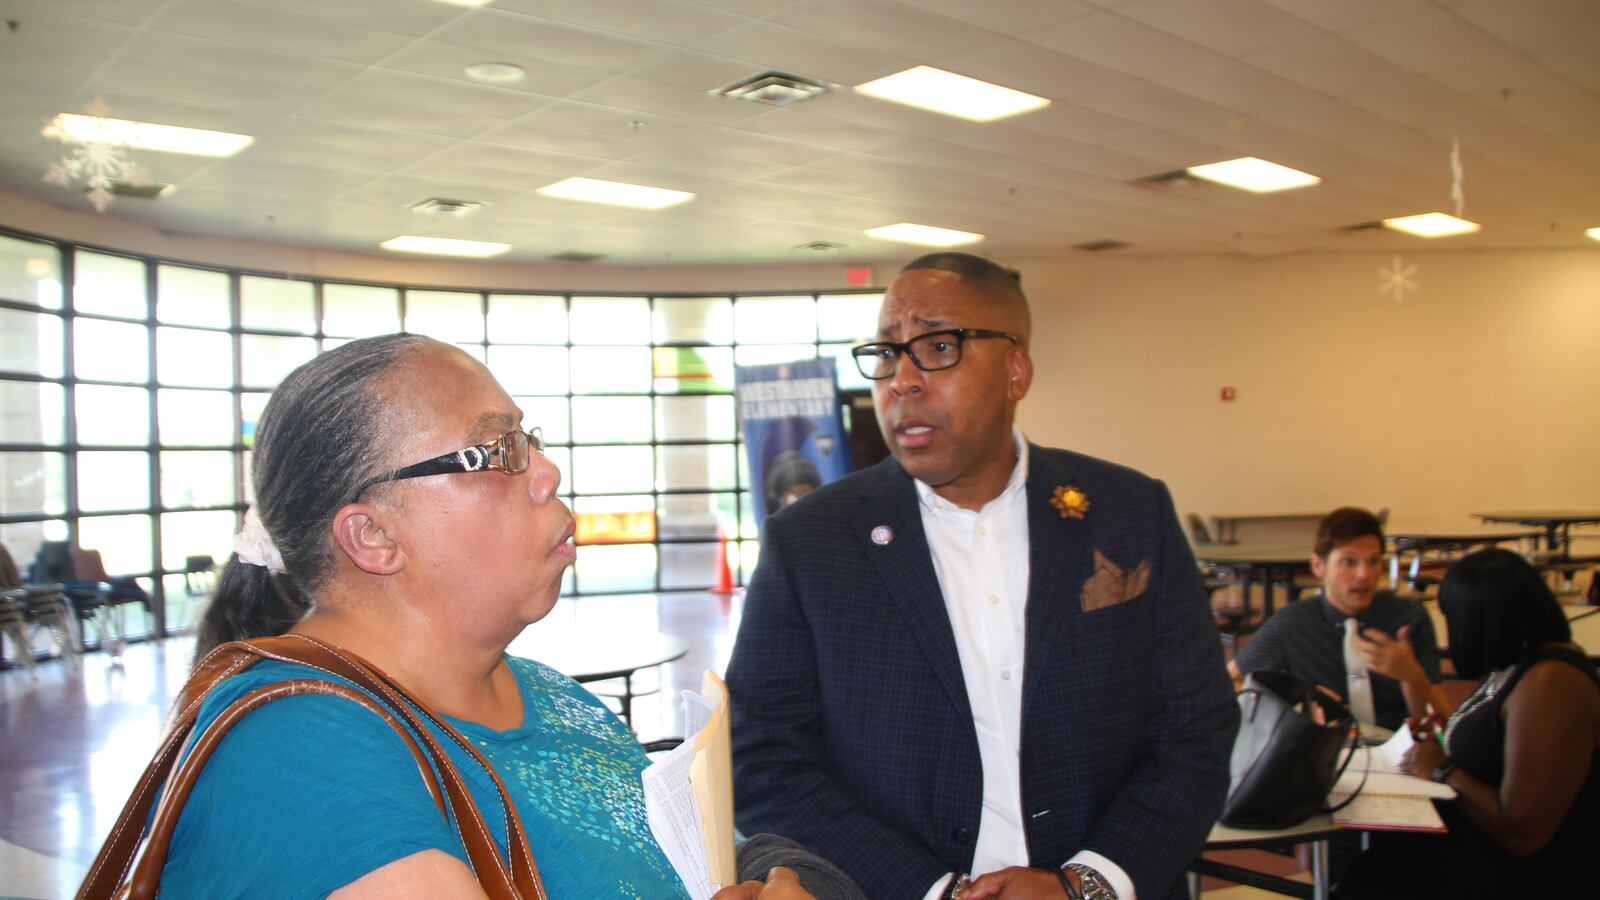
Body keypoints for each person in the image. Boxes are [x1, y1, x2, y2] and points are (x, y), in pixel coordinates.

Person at [137, 334, 845, 899]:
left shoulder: (552, 697)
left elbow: (679, 855)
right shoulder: (293, 750)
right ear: (374, 537)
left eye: (528, 439)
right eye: (499, 450)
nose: (546, 471)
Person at [725, 253, 1239, 900]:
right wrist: (934, 891)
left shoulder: (1130, 513)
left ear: (1015, 369)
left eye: (938, 346)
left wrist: (1087, 884)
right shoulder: (812, 541)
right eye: (887, 353)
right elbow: (763, 759)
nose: (902, 381)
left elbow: (1195, 732)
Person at [1334, 548, 1600, 896]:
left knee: (1378, 872)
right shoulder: (1517, 664)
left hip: (1534, 872)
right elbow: (1488, 751)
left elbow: (1521, 831)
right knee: (1370, 856)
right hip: (1481, 850)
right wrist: (1438, 737)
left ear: (1485, 619)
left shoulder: (1551, 683)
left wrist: (1444, 769)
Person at [1230, 507, 1449, 734]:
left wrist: (1411, 675)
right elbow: (1228, 683)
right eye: (1349, 562)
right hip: (1325, 750)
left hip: (1400, 751)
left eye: (1373, 561)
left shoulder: (1408, 618)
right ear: (1319, 566)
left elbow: (1441, 724)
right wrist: (1292, 699)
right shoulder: (1293, 622)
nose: (1364, 574)